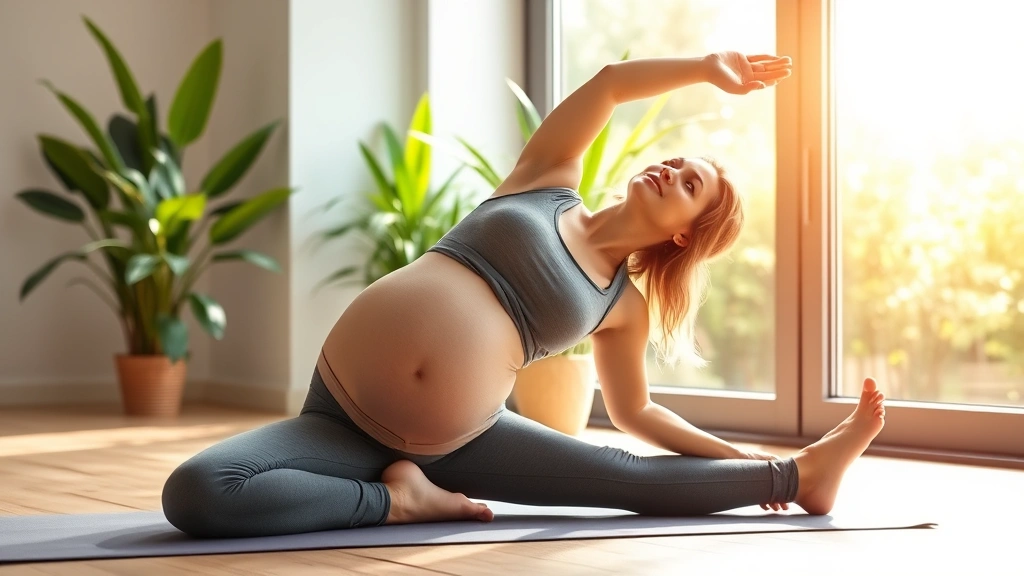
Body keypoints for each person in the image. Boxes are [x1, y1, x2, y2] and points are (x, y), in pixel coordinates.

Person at [162, 51, 886, 539]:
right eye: (675, 161)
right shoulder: (545, 184)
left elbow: (638, 415)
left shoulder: (620, 306)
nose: (670, 168)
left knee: (623, 478)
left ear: (683, 237)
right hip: (340, 417)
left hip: (467, 437)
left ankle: (801, 475)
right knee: (196, 491)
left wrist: (736, 462)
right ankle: (395, 500)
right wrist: (703, 69)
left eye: (690, 183)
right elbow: (606, 84)